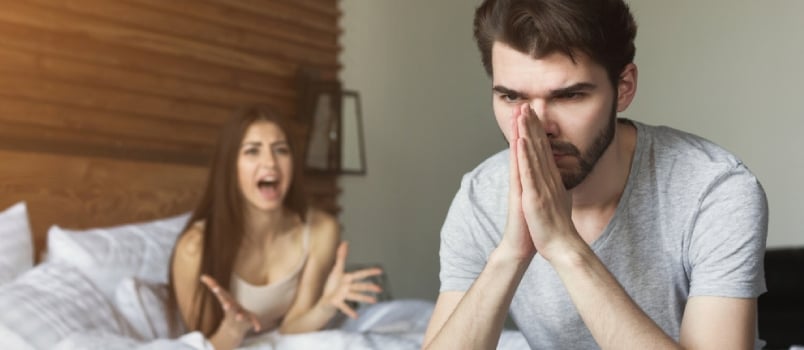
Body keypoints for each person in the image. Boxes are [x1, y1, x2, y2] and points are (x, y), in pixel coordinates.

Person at [423, 0, 768, 349]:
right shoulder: (481, 194)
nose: (540, 128)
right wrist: (510, 254)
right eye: (512, 97)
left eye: (570, 95)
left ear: (625, 87)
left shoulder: (715, 189)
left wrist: (563, 245)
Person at [168, 105, 383, 350]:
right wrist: (232, 329)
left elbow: (292, 328)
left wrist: (326, 306)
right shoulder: (194, 248)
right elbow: (204, 346)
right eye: (252, 151)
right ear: (230, 166)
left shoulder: (321, 230)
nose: (270, 162)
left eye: (281, 150)